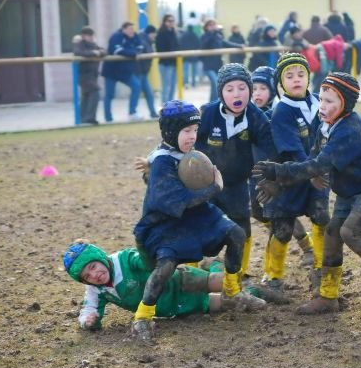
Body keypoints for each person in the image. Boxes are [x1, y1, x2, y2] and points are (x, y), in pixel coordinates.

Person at [254, 72, 361, 316]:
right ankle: (328, 296)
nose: (323, 106)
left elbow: (318, 166)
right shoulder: (325, 123)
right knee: (332, 232)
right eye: (322, 99)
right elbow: (314, 161)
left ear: (345, 104)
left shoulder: (350, 128)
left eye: (330, 101)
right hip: (353, 188)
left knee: (350, 232)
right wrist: (280, 185)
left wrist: (279, 172)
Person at [132, 99, 266, 342]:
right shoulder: (162, 160)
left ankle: (233, 292)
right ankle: (143, 316)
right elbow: (179, 201)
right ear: (171, 132)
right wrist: (214, 188)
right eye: (186, 131)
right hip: (166, 223)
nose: (192, 136)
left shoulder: (181, 152)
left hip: (196, 214)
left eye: (195, 130)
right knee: (166, 266)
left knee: (236, 234)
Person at [256, 53, 330, 302]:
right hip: (288, 178)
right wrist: (311, 171)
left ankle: (320, 269)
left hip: (316, 175)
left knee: (321, 218)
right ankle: (273, 277)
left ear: (309, 77)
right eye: (289, 76)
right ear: (280, 83)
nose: (296, 79)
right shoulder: (282, 111)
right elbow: (291, 150)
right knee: (283, 229)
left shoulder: (320, 102)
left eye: (301, 74)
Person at [196, 64, 277, 279]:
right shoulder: (208, 113)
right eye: (229, 89)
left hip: (237, 184)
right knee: (198, 228)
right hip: (206, 182)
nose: (237, 94)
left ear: (249, 90)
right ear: (221, 92)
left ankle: (237, 278)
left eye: (242, 88)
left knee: (242, 229)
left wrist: (274, 177)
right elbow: (184, 140)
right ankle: (192, 274)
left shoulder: (256, 116)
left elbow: (272, 149)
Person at [63, 239, 233, 332]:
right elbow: (88, 309)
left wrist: (147, 255)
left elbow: (145, 261)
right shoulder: (96, 290)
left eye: (93, 266)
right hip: (178, 306)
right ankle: (250, 291)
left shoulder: (124, 259)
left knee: (223, 284)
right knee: (228, 304)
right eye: (87, 276)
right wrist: (88, 321)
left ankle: (218, 266)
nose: (94, 275)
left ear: (101, 258)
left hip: (180, 280)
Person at [250, 66, 315, 269]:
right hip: (255, 175)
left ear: (274, 89)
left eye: (262, 88)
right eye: (253, 89)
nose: (257, 93)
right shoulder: (247, 114)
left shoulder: (277, 114)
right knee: (257, 212)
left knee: (282, 218)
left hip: (277, 176)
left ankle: (305, 250)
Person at [101, 21, 143, 122]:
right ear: (124, 29)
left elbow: (140, 47)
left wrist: (131, 52)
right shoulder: (116, 36)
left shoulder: (135, 36)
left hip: (124, 71)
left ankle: (132, 112)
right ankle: (108, 118)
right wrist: (132, 52)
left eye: (133, 29)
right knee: (109, 94)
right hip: (111, 71)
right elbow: (118, 51)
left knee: (137, 86)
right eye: (130, 29)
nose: (132, 31)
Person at [200, 19, 243, 103]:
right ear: (206, 27)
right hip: (208, 65)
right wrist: (212, 34)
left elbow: (226, 43)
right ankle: (213, 103)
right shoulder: (204, 36)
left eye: (214, 25)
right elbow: (205, 45)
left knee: (215, 86)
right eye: (210, 25)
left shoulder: (218, 36)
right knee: (215, 83)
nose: (212, 27)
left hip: (217, 65)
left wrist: (239, 46)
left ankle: (212, 103)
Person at [73, 26, 106, 125]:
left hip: (92, 75)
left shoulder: (93, 44)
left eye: (92, 35)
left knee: (86, 96)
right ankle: (90, 117)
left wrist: (99, 52)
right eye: (89, 36)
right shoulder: (80, 44)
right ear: (83, 36)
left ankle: (83, 117)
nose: (91, 37)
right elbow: (79, 52)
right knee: (95, 93)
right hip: (84, 75)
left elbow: (104, 51)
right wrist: (93, 53)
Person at [136, 25, 158, 119]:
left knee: (149, 93)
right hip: (139, 71)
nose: (155, 36)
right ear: (150, 33)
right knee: (137, 92)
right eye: (154, 34)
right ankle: (132, 112)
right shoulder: (143, 41)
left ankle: (153, 112)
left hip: (143, 72)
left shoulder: (147, 41)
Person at [156, 14, 179, 103]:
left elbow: (177, 46)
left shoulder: (174, 33)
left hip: (174, 63)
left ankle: (171, 104)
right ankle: (164, 105)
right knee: (166, 85)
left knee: (173, 85)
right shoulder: (161, 33)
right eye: (169, 21)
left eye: (173, 21)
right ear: (165, 22)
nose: (171, 23)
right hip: (165, 64)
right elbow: (160, 48)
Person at [178, 24, 201, 88]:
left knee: (186, 70)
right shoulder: (195, 35)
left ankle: (186, 83)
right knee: (194, 70)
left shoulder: (183, 36)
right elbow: (198, 44)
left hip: (185, 55)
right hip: (194, 55)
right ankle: (193, 83)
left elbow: (180, 44)